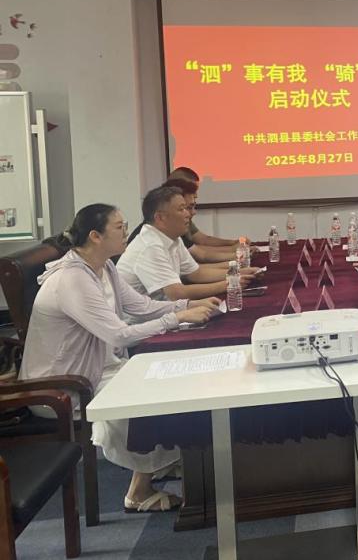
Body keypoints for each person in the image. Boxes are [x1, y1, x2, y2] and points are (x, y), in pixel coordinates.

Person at [20, 204, 220, 512]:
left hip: (98, 366)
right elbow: (119, 335)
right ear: (95, 236)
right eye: (119, 227)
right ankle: (138, 491)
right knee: (151, 390)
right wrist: (177, 318)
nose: (127, 232)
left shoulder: (103, 267)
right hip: (63, 384)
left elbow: (140, 306)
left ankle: (168, 461)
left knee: (171, 375)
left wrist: (187, 305)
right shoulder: (72, 279)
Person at [117, 186, 255, 300]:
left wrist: (238, 273)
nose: (188, 214)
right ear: (160, 218)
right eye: (181, 209)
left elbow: (196, 273)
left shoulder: (173, 238)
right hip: (142, 321)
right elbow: (177, 293)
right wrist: (229, 283)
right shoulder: (149, 246)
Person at [167, 167, 239, 251]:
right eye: (192, 190)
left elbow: (202, 239)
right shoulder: (173, 218)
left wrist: (233, 243)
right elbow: (199, 253)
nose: (196, 195)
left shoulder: (184, 215)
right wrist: (234, 249)